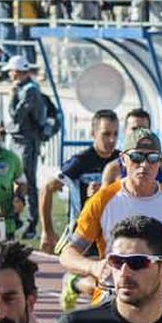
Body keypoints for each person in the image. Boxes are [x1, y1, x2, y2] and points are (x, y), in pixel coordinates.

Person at [61, 129, 162, 311]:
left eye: (152, 158)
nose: (144, 165)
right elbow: (68, 253)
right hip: (113, 299)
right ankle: (74, 284)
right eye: (137, 157)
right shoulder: (102, 200)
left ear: (160, 163)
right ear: (123, 159)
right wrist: (92, 267)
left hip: (161, 301)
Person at [38, 109, 119, 255]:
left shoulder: (122, 161)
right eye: (106, 134)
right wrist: (47, 231)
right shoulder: (79, 162)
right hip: (81, 237)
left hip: (113, 237)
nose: (112, 140)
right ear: (93, 134)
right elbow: (47, 188)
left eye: (115, 134)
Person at [4, 58, 48, 239]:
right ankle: (17, 217)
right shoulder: (27, 88)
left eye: (11, 71)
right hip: (19, 140)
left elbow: (17, 116)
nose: (9, 74)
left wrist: (12, 97)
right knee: (16, 180)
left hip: (27, 141)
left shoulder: (29, 91)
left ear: (18, 71)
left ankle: (31, 222)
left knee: (28, 181)